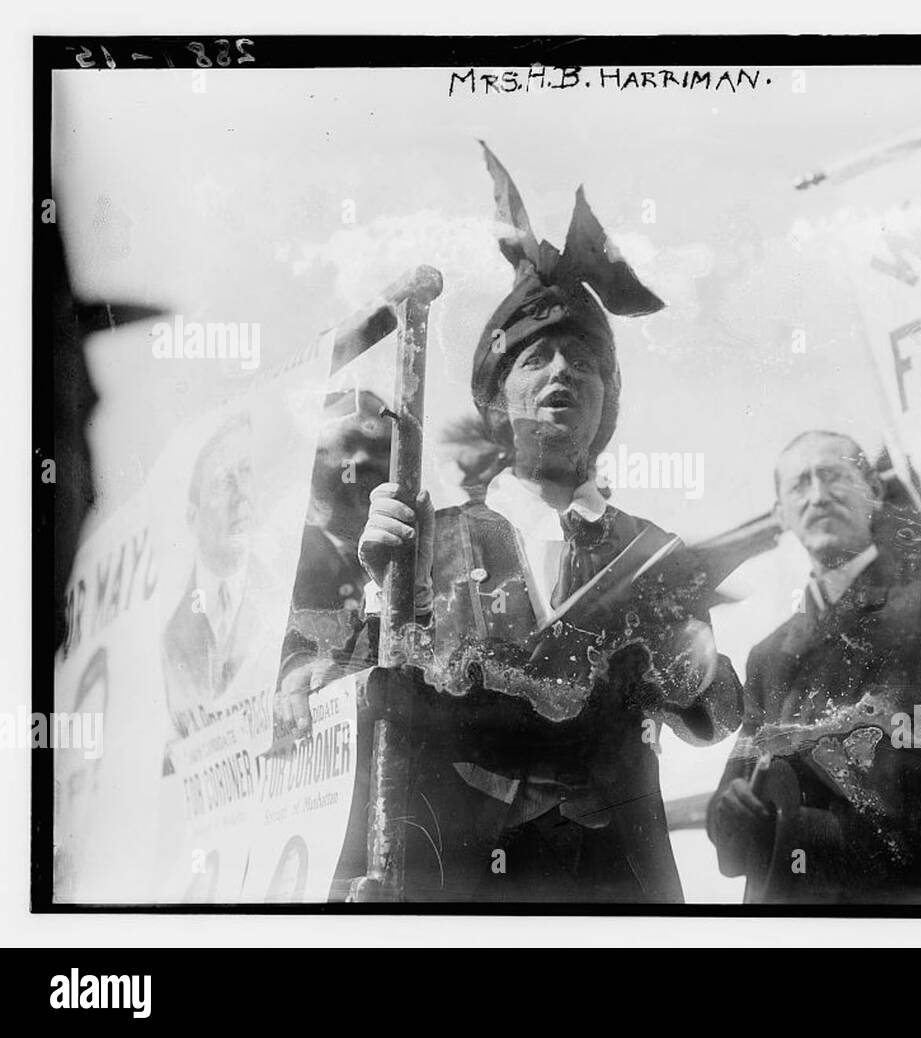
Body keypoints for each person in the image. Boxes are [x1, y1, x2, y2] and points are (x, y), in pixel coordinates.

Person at [349, 143, 743, 902]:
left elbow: (716, 715)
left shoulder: (654, 552)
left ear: (606, 406)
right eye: (537, 360)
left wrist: (691, 652)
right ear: (496, 402)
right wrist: (379, 587)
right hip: (459, 880)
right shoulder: (428, 539)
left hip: (619, 887)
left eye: (584, 363)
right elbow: (368, 704)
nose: (563, 373)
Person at [707, 430, 921, 904]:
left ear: (875, 492)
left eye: (835, 476)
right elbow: (729, 840)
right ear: (781, 513)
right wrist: (734, 812)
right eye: (800, 484)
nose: (818, 496)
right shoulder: (768, 656)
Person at [275, 389, 392, 739]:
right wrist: (296, 669)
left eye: (380, 449)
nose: (359, 461)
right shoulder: (281, 565)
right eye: (345, 448)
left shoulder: (435, 551)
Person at [161, 413, 274, 741]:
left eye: (246, 473)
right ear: (192, 517)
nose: (243, 495)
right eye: (225, 482)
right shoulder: (170, 636)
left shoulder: (282, 596)